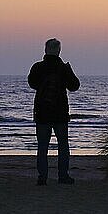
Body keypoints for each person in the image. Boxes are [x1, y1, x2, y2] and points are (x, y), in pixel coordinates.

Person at [28, 38, 80, 186]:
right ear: (58, 50)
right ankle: (63, 176)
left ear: (45, 50)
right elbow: (75, 86)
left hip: (42, 112)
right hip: (60, 113)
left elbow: (32, 83)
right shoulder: (63, 68)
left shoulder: (38, 67)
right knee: (63, 145)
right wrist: (68, 70)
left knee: (42, 146)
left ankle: (42, 177)